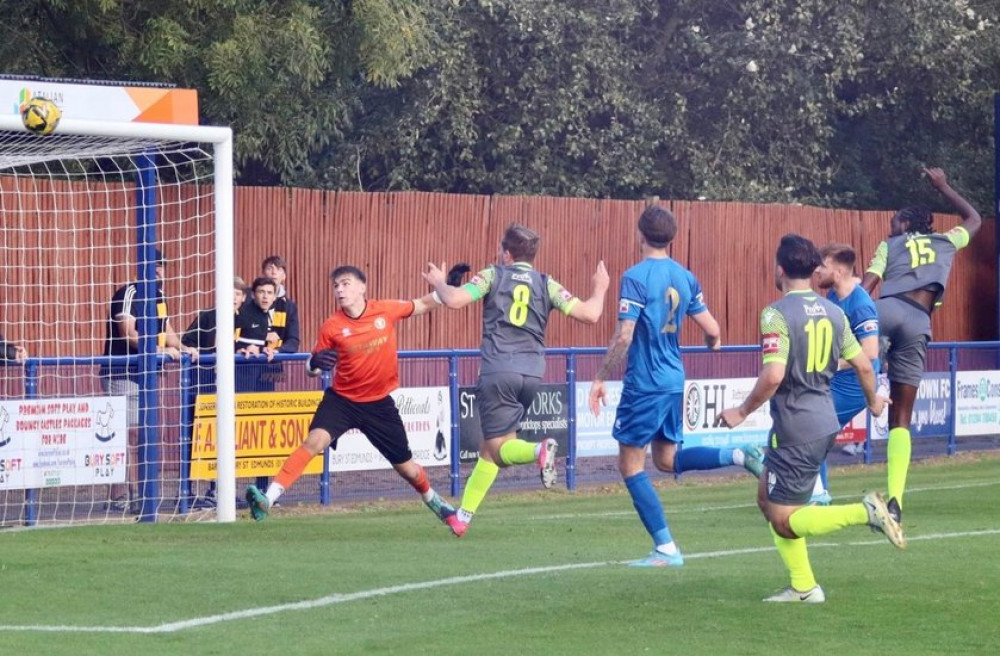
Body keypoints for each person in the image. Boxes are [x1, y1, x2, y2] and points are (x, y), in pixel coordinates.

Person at [718, 234, 904, 603]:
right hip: (822, 421)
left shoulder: (776, 314)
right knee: (765, 498)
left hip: (795, 426)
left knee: (784, 518)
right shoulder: (834, 311)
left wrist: (741, 411)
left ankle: (862, 513)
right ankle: (803, 587)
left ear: (780, 269)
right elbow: (864, 364)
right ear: (812, 269)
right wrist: (875, 402)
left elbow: (773, 375)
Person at [587, 205, 763, 568]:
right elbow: (713, 330)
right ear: (672, 237)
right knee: (666, 460)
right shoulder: (685, 276)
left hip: (646, 382)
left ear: (640, 235)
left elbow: (624, 335)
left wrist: (601, 376)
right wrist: (713, 344)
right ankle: (737, 455)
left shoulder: (635, 276)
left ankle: (666, 548)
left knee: (631, 466)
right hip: (673, 379)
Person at [423, 223, 609, 538]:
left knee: (500, 451)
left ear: (507, 253)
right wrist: (600, 287)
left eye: (500, 249)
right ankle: (463, 517)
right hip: (532, 374)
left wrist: (441, 283)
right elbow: (590, 314)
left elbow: (454, 300)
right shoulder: (547, 283)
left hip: (498, 371)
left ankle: (538, 450)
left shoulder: (492, 275)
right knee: (490, 448)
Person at [245, 265, 455, 526]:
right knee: (314, 441)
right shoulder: (332, 326)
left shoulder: (385, 310)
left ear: (362, 288)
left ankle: (433, 499)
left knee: (408, 469)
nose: (339, 290)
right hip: (342, 400)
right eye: (335, 286)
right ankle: (268, 498)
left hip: (378, 404)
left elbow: (423, 304)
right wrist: (315, 362)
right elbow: (311, 368)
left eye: (345, 284)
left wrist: (446, 288)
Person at [861, 167, 982, 522]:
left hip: (886, 309)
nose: (889, 226)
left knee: (841, 369)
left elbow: (867, 285)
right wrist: (943, 186)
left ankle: (863, 395)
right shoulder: (946, 241)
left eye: (894, 221)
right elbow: (975, 218)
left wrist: (841, 320)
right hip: (918, 321)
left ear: (905, 225)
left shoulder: (890, 245)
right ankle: (895, 502)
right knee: (902, 418)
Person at [101, 248, 199, 511]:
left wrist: (184, 347)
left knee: (145, 433)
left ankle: (134, 493)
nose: (158, 270)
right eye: (153, 265)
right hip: (124, 372)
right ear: (141, 267)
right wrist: (159, 351)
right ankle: (133, 496)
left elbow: (167, 332)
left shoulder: (160, 297)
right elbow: (127, 333)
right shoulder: (128, 293)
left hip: (150, 375)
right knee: (130, 433)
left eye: (161, 265)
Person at [808, 244, 880, 504]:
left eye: (822, 266)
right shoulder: (834, 299)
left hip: (853, 387)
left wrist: (833, 364)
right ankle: (817, 493)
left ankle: (819, 496)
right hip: (836, 383)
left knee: (812, 429)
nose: (817, 270)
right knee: (816, 433)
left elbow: (870, 352)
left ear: (838, 271)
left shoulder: (860, 304)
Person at [182, 276, 247, 393]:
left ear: (243, 298)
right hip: (205, 375)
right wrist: (193, 349)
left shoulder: (246, 319)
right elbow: (187, 339)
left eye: (237, 294)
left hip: (235, 377)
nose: (233, 298)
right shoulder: (207, 315)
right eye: (229, 293)